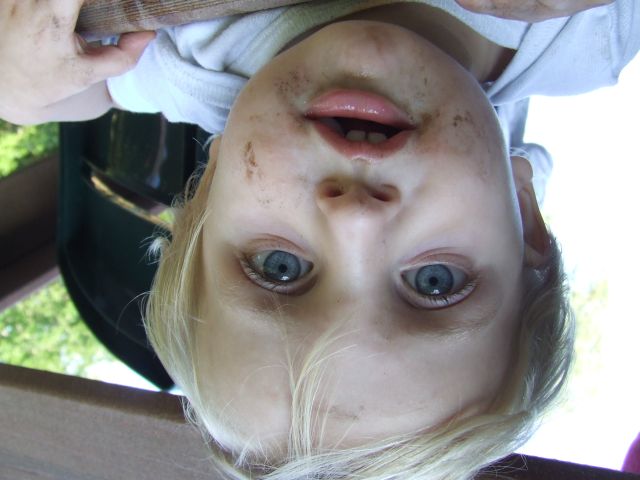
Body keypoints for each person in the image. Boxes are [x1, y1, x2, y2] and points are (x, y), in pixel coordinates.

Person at [1, 1, 638, 479]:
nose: (356, 220)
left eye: (279, 266)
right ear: (524, 212)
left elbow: (59, 85)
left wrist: (20, 84)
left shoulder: (181, 57)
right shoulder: (591, 27)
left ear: (207, 197)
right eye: (434, 281)